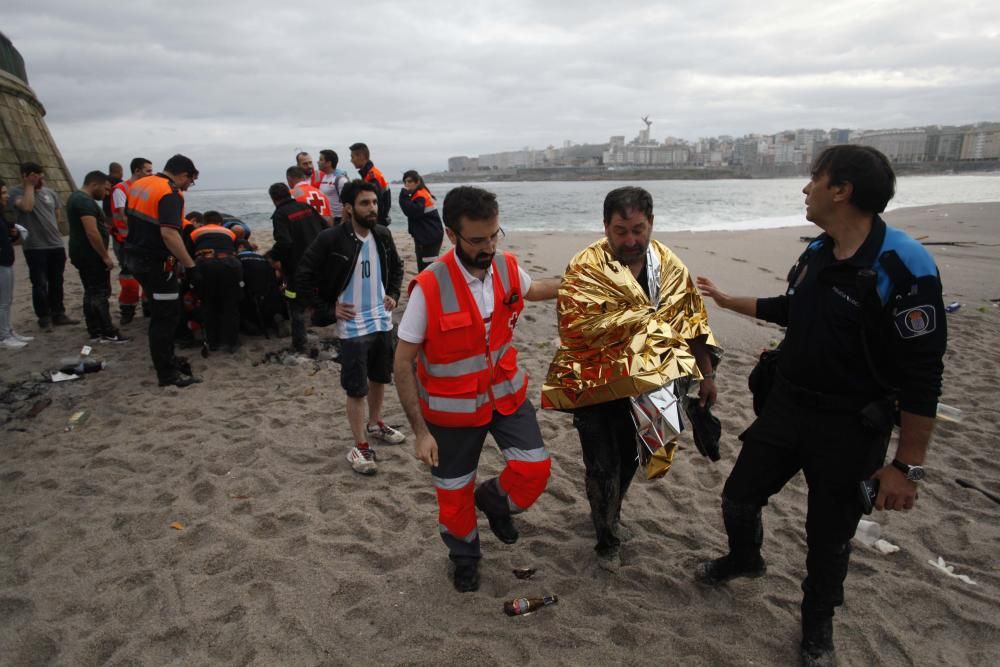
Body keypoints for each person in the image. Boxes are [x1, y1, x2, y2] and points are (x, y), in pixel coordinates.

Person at [695, 145, 947, 666]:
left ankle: (817, 631)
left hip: (851, 425)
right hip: (788, 408)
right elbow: (794, 309)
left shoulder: (903, 265)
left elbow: (924, 376)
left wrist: (907, 466)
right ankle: (745, 560)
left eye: (815, 178)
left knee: (828, 537)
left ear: (842, 190)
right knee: (739, 497)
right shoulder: (817, 252)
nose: (805, 188)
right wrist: (726, 301)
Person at [541, 186, 720, 571]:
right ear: (605, 227)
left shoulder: (669, 265)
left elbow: (692, 322)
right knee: (600, 464)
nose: (631, 240)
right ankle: (606, 538)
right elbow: (575, 329)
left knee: (630, 459)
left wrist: (706, 376)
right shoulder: (585, 266)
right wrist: (640, 321)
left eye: (638, 229)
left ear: (651, 223)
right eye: (621, 231)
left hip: (652, 385)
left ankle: (610, 512)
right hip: (597, 383)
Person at [393, 186, 561, 593]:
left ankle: (493, 501)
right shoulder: (429, 287)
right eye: (478, 240)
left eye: (494, 236)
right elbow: (402, 363)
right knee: (452, 495)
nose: (489, 247)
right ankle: (464, 557)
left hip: (505, 394)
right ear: (452, 235)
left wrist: (580, 280)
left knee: (534, 470)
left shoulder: (506, 266)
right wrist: (419, 432)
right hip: (450, 412)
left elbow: (533, 290)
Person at [296, 180, 406, 475]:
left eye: (374, 202)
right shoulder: (331, 239)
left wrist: (393, 293)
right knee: (356, 388)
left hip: (381, 320)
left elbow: (397, 266)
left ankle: (375, 423)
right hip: (353, 325)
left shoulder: (382, 234)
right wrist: (326, 309)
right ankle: (360, 444)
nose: (372, 208)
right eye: (365, 203)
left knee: (380, 376)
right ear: (348, 208)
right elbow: (302, 276)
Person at [125, 154, 202, 387]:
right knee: (165, 316)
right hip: (157, 262)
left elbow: (149, 218)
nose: (189, 187)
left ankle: (168, 358)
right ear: (183, 175)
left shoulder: (140, 185)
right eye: (191, 181)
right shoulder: (170, 192)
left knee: (161, 310)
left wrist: (188, 226)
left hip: (133, 255)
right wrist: (190, 265)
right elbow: (168, 233)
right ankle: (167, 374)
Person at [7, 162, 77, 330]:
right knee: (39, 283)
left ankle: (58, 313)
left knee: (57, 280)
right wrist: (29, 186)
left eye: (41, 175)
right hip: (35, 246)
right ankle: (44, 317)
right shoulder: (16, 193)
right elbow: (27, 207)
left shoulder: (50, 193)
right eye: (35, 175)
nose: (39, 179)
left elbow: (57, 215)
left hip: (55, 244)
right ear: (25, 175)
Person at [66, 171, 129, 344]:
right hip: (90, 254)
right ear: (95, 184)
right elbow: (92, 231)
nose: (107, 193)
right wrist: (105, 255)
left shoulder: (76, 198)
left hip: (82, 252)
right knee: (100, 292)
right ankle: (107, 331)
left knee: (91, 291)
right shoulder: (84, 201)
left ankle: (94, 330)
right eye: (106, 189)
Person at [268, 182, 327, 352]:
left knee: (294, 300)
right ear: (289, 193)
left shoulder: (280, 215)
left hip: (297, 265)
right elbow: (325, 228)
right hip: (317, 260)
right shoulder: (305, 206)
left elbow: (284, 241)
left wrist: (274, 256)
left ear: (273, 199)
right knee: (318, 295)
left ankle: (299, 342)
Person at [190, 210, 242, 353]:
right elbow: (236, 249)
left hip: (206, 266)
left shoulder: (196, 232)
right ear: (220, 223)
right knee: (231, 306)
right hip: (230, 265)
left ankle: (213, 342)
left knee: (209, 304)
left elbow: (188, 252)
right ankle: (232, 343)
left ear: (205, 222)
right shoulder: (228, 232)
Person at [110, 157, 153, 325]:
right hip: (125, 242)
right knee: (129, 277)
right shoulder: (121, 189)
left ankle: (148, 307)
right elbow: (123, 215)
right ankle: (127, 311)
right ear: (137, 171)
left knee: (148, 275)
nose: (151, 174)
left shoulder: (145, 189)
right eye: (148, 170)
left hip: (142, 242)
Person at [1, 178, 33, 348]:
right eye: (4, 193)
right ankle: (3, 336)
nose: (7, 196)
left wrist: (12, 233)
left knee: (8, 299)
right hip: (1, 263)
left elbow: (7, 237)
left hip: (7, 261)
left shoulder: (2, 214)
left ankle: (8, 330)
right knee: (3, 301)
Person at [399, 170, 444, 272]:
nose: (407, 184)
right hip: (427, 236)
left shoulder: (420, 195)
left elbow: (411, 211)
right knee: (425, 266)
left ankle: (430, 287)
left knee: (427, 268)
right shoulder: (420, 193)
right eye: (405, 182)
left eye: (410, 181)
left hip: (429, 237)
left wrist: (403, 195)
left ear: (417, 182)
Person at [349, 143, 391, 226]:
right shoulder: (370, 173)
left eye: (352, 157)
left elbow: (377, 201)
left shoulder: (372, 176)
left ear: (361, 156)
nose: (351, 160)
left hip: (377, 221)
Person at [316, 149, 350, 224]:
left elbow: (348, 203)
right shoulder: (324, 176)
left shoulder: (340, 180)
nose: (317, 162)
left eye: (321, 159)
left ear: (328, 163)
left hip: (338, 220)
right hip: (328, 219)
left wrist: (342, 223)